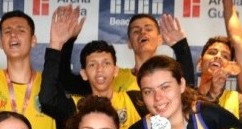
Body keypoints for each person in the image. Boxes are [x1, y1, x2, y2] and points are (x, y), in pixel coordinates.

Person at [40, 6, 148, 129]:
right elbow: (46, 99)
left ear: (116, 70)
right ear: (84, 74)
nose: (100, 69)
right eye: (92, 64)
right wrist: (55, 45)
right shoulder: (76, 107)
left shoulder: (135, 100)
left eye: (106, 63)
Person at [57, 11, 195, 94]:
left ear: (160, 39)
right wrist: (67, 42)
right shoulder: (113, 76)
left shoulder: (168, 78)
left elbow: (188, 90)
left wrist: (180, 47)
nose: (142, 32)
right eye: (136, 31)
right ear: (129, 43)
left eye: (148, 29)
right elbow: (68, 83)